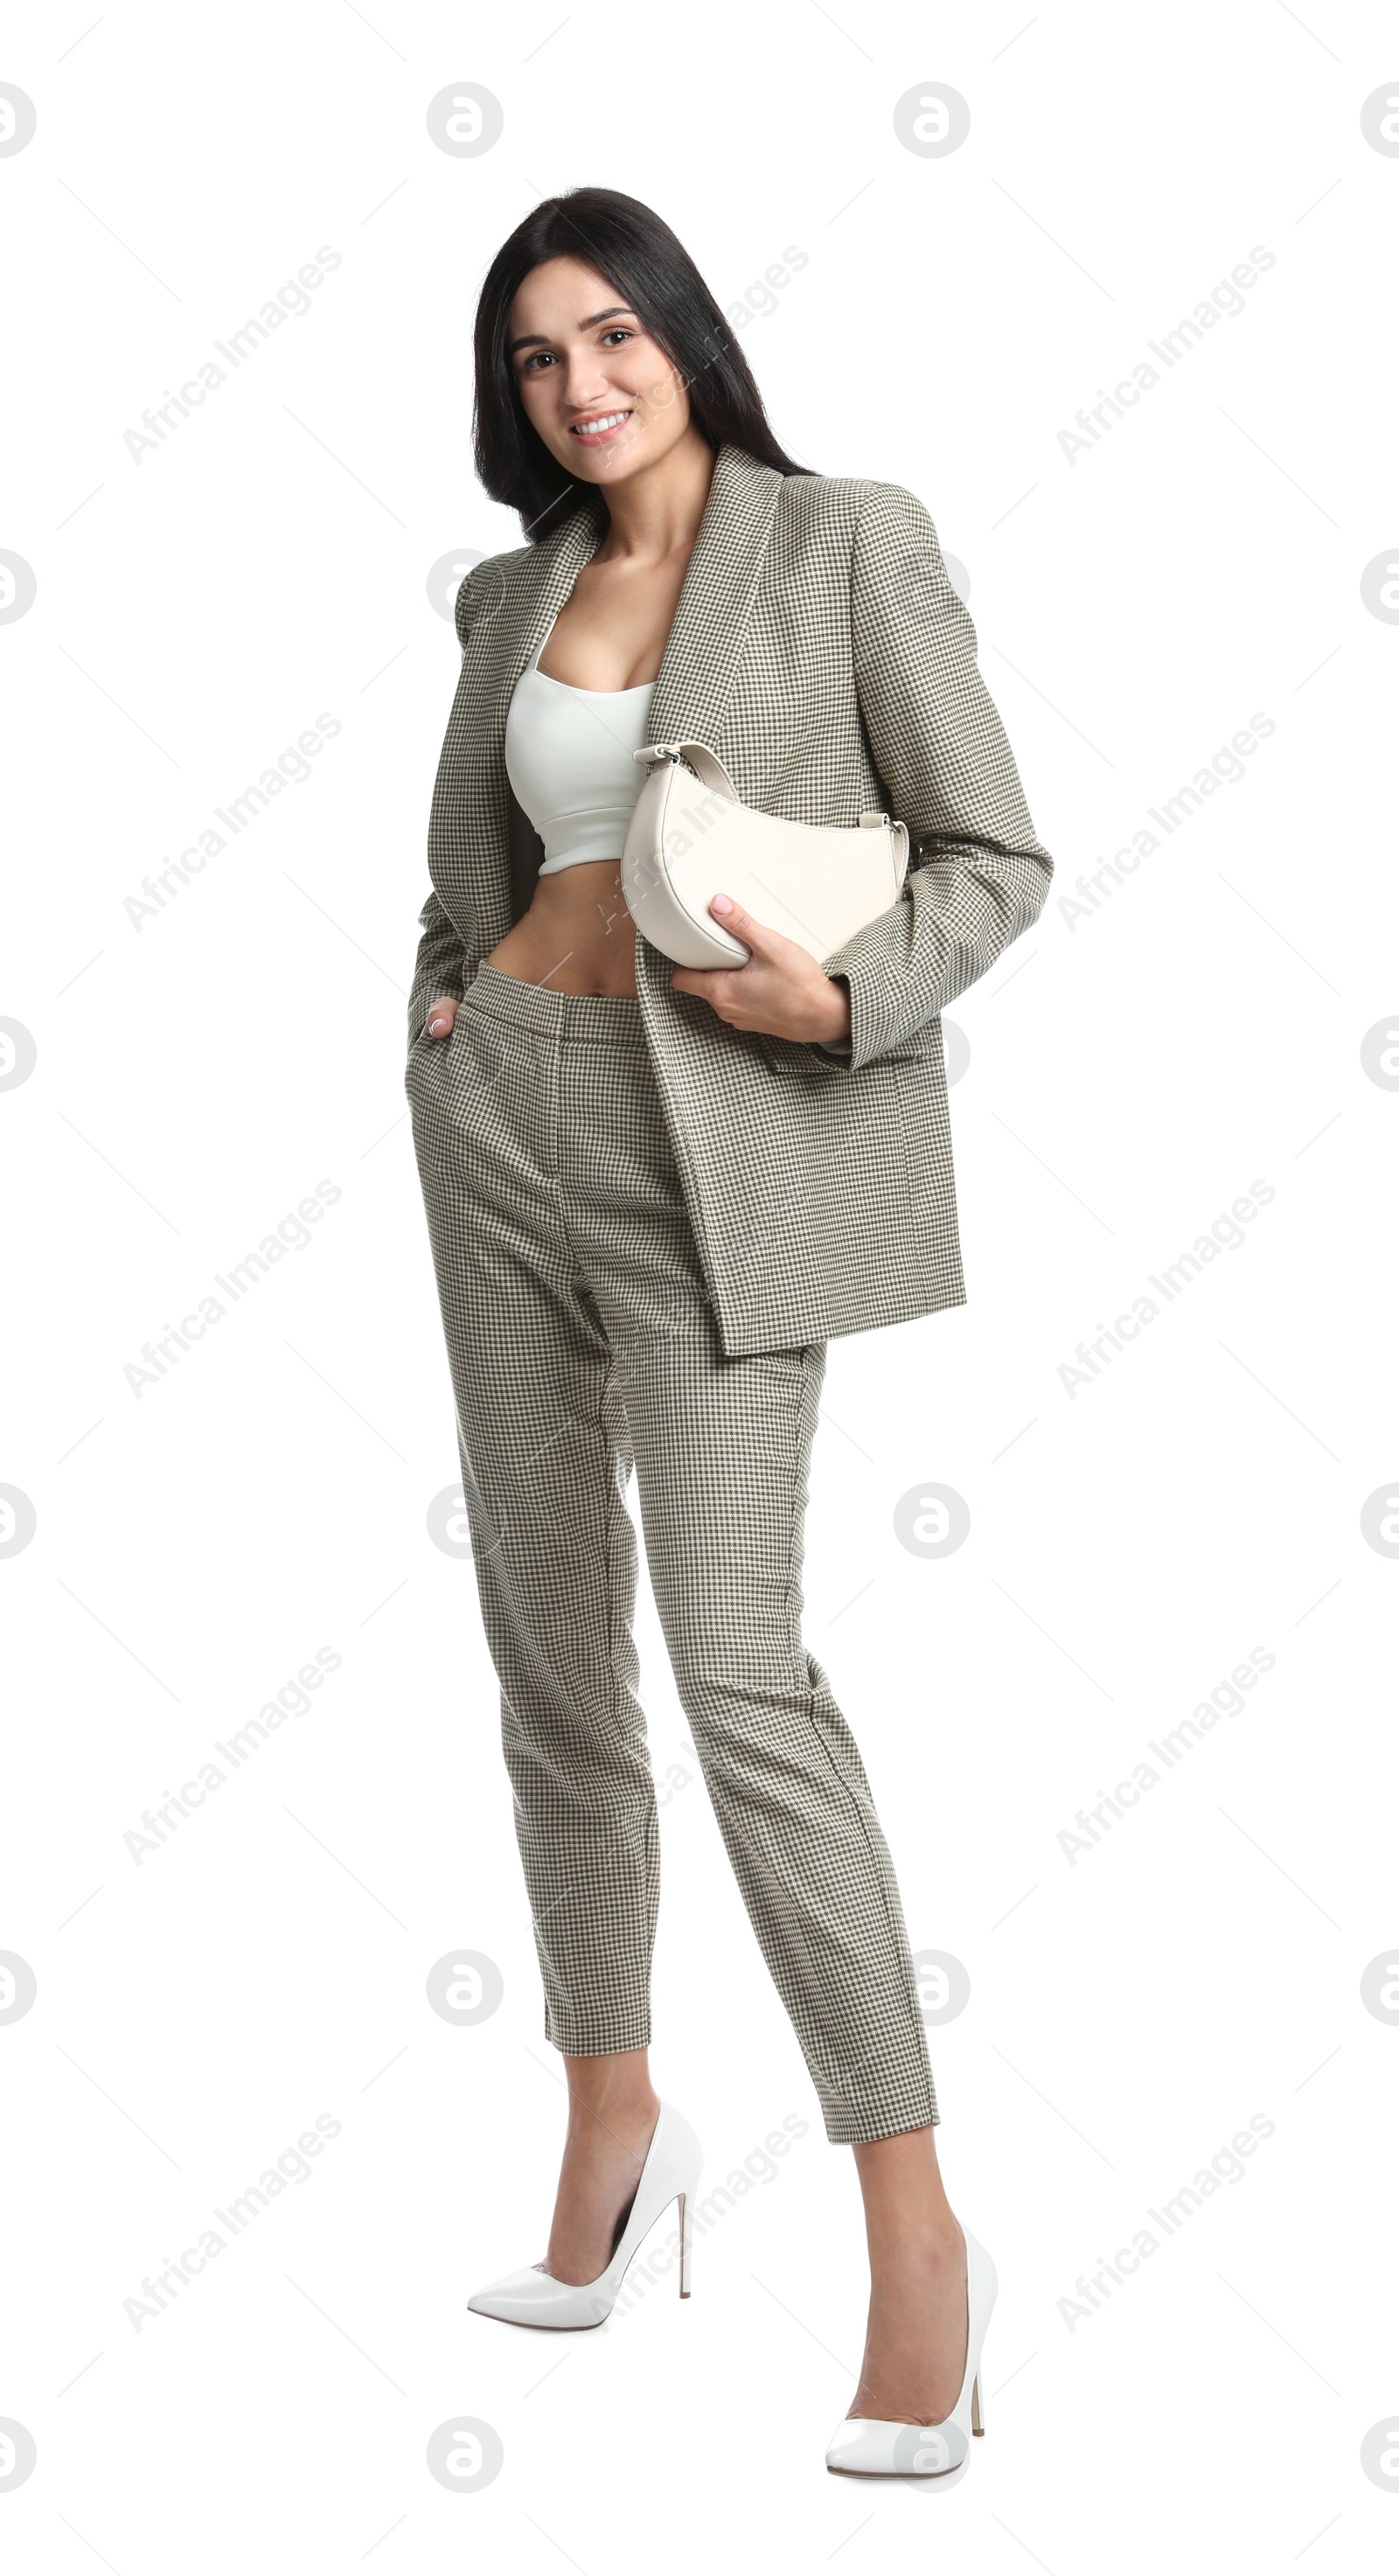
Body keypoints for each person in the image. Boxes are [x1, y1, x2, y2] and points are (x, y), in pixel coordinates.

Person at [405, 186, 1052, 2482]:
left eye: (610, 334)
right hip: (501, 1123)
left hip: (721, 1156)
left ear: (682, 330)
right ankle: (614, 2132)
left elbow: (996, 853)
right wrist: (448, 1008)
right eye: (536, 360)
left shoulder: (844, 543)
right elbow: (482, 859)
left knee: (740, 1670)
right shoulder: (517, 589)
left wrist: (843, 994)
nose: (581, 382)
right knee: (551, 1650)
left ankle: (917, 2240)